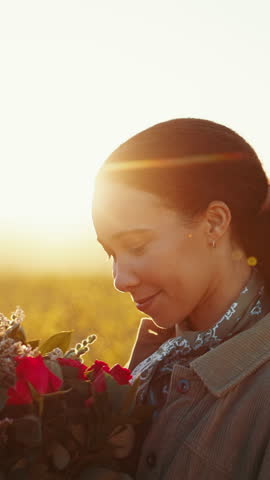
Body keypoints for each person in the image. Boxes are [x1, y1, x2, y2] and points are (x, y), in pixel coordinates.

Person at [92, 118, 270, 479]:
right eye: (111, 253)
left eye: (137, 246)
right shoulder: (157, 359)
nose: (120, 279)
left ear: (215, 223)